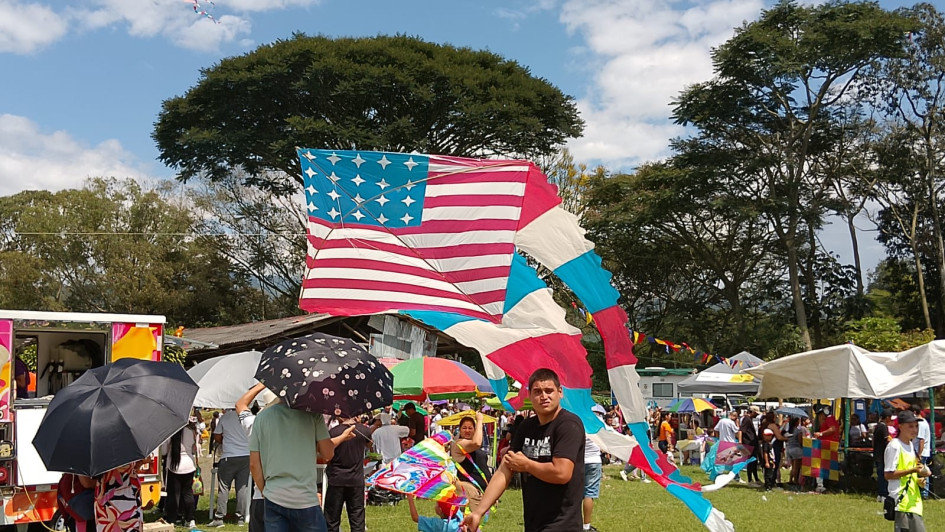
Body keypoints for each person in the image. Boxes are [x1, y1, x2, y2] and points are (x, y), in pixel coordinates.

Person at [463, 368, 584, 532]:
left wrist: (527, 465)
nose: (544, 396)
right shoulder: (527, 427)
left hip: (563, 523)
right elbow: (504, 469)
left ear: (560, 392)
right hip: (534, 522)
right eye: (537, 392)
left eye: (549, 391)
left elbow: (562, 473)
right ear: (530, 395)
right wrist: (478, 513)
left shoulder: (569, 425)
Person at [249, 399, 356, 532]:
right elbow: (327, 453)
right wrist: (341, 437)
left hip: (274, 495)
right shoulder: (313, 415)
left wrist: (265, 491)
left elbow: (254, 464)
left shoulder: (262, 417)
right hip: (305, 498)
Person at [884, 409, 930, 532]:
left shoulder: (910, 445)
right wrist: (912, 470)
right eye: (910, 426)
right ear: (900, 426)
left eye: (916, 426)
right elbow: (888, 475)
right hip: (902, 502)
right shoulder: (894, 446)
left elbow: (911, 472)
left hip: (914, 502)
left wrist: (919, 481)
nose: (914, 430)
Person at [324, 417, 372, 532]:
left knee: (332, 519)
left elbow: (327, 453)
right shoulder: (363, 431)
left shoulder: (333, 432)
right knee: (357, 518)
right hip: (356, 479)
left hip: (337, 478)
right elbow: (369, 445)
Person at [210, 409, 252, 526]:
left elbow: (217, 437)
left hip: (229, 455)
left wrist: (227, 439)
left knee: (224, 487)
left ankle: (219, 517)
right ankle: (240, 517)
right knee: (242, 488)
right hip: (246, 456)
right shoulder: (249, 417)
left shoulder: (226, 417)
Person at [236, 383, 268, 532]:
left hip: (260, 495)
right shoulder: (294, 426)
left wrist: (261, 385)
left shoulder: (255, 424)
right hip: (288, 496)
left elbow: (241, 404)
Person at [79, 462, 145, 532]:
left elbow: (86, 482)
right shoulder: (129, 452)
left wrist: (104, 481)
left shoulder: (94, 453)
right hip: (128, 493)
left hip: (107, 499)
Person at [449, 413, 491, 513]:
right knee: (470, 526)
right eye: (464, 428)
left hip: (481, 493)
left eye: (470, 428)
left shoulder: (472, 444)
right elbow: (477, 443)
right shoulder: (459, 444)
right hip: (469, 493)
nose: (467, 430)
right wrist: (480, 420)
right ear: (460, 429)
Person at [161, 420, 199, 527]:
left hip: (174, 465)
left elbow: (164, 451)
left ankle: (172, 519)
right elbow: (194, 449)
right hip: (189, 465)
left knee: (173, 494)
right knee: (188, 493)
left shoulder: (171, 431)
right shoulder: (191, 431)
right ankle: (190, 519)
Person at [813, 407, 840, 493]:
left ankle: (821, 485)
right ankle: (825, 484)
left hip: (828, 445)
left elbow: (833, 429)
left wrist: (820, 433)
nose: (820, 417)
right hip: (827, 445)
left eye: (821, 415)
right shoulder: (828, 420)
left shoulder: (829, 418)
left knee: (820, 465)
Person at [714, 411, 743, 483]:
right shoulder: (731, 423)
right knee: (735, 461)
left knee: (721, 461)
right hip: (731, 443)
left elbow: (715, 429)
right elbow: (738, 431)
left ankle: (718, 476)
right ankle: (736, 477)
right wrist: (737, 424)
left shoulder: (721, 421)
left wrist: (718, 438)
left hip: (722, 443)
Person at [582, 435, 602, 532]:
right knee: (589, 493)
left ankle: (574, 522)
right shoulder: (596, 423)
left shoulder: (577, 423)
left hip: (579, 461)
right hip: (594, 459)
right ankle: (586, 526)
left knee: (576, 493)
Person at [912, 405, 932, 499]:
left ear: (915, 412)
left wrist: (919, 455)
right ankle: (924, 492)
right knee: (923, 471)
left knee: (921, 472)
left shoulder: (921, 424)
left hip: (921, 452)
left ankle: (924, 493)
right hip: (921, 451)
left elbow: (921, 440)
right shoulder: (924, 422)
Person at [875, 409, 894, 502]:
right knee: (883, 475)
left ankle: (880, 494)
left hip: (877, 454)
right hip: (882, 455)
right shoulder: (883, 427)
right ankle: (883, 494)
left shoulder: (877, 426)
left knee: (880, 475)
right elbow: (887, 439)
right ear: (887, 418)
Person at [785, 416, 809, 489]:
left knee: (793, 466)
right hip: (796, 449)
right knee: (797, 466)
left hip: (789, 448)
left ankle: (790, 479)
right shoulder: (798, 430)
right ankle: (796, 481)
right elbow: (800, 440)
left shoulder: (790, 430)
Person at [740, 407, 761, 484]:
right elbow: (741, 430)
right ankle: (750, 480)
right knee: (750, 461)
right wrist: (740, 441)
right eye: (756, 413)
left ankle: (756, 478)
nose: (756, 415)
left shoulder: (749, 419)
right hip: (748, 443)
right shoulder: (746, 419)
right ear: (752, 412)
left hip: (752, 443)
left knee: (754, 461)